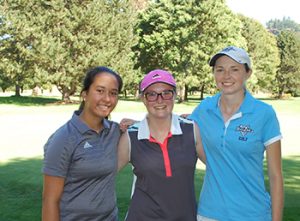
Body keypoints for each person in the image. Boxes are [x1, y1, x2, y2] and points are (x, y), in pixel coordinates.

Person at [189, 46, 284, 221]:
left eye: (234, 69)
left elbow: (275, 176)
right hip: (209, 213)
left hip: (252, 214)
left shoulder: (264, 113)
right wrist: (142, 124)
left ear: (248, 73)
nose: (226, 76)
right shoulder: (205, 108)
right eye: (220, 70)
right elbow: (176, 125)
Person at [118, 69, 205, 221]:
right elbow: (103, 174)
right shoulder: (131, 136)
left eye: (166, 93)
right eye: (151, 94)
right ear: (143, 99)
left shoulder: (192, 129)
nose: (160, 100)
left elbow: (218, 167)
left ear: (175, 96)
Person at [42, 66, 123, 221]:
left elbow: (150, 129)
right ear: (85, 94)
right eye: (100, 90)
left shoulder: (114, 131)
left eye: (113, 93)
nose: (107, 99)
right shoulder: (64, 138)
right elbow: (50, 201)